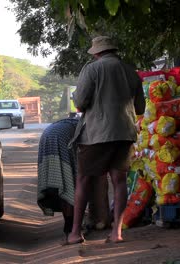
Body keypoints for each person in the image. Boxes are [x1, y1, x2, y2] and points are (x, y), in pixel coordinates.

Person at [66, 36, 146, 245]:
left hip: (97, 134)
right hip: (125, 133)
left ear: (96, 52)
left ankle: (75, 233)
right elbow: (140, 109)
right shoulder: (131, 72)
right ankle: (116, 233)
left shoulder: (92, 70)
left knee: (83, 179)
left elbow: (81, 103)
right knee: (119, 181)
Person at [37, 117, 110, 244]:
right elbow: (98, 179)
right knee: (71, 183)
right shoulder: (97, 132)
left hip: (47, 136)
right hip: (62, 138)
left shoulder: (83, 123)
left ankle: (70, 225)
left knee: (61, 182)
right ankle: (72, 227)